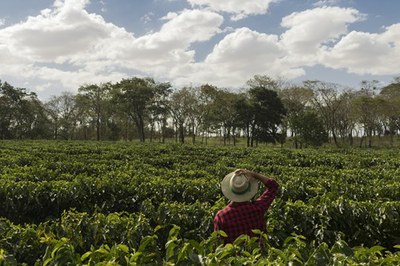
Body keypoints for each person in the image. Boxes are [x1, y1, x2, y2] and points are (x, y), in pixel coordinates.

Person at [214, 169, 279, 244]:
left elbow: (218, 243)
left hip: (233, 254)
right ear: (249, 190)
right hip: (258, 255)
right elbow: (273, 186)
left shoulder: (221, 216)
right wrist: (254, 175)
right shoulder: (258, 208)